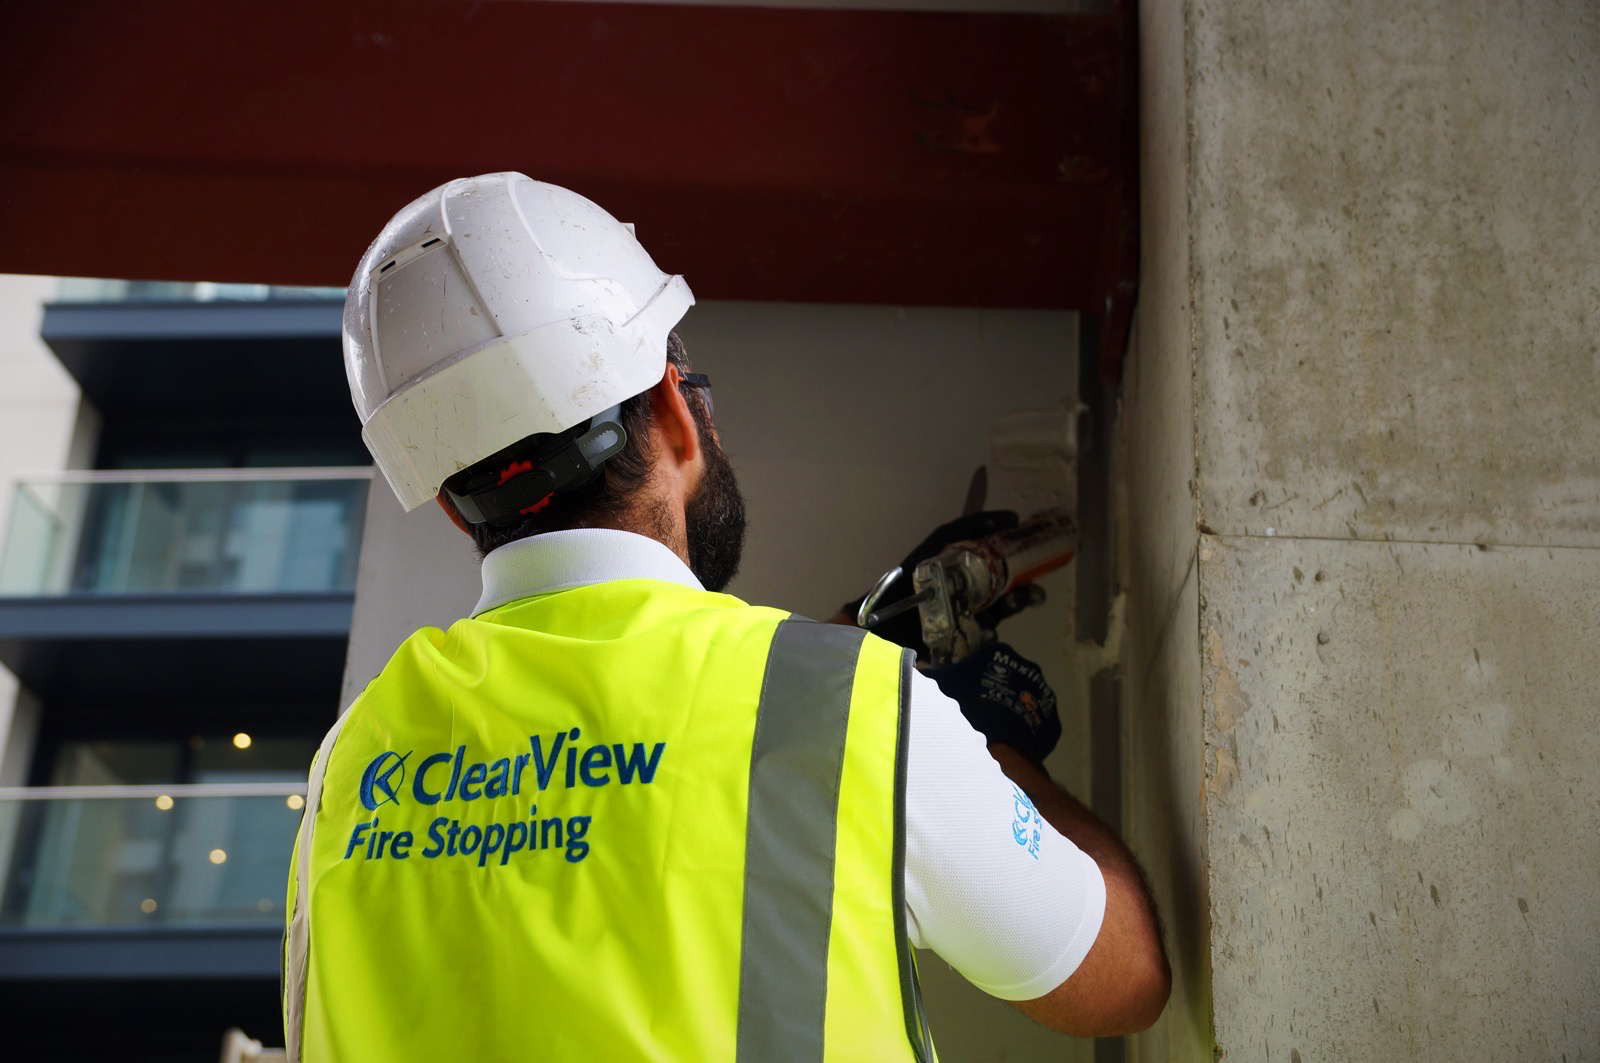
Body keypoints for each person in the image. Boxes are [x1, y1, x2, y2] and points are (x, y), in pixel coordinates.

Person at [282, 172, 1168, 1061]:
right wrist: (990, 744)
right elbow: (1120, 974)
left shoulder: (349, 765)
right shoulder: (853, 712)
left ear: (451, 506)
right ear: (676, 408)